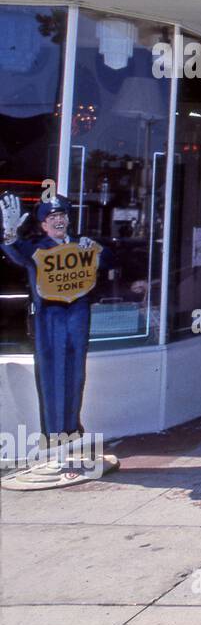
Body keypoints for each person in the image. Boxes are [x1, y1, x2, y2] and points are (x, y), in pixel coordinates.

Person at [1, 193, 109, 461]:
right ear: (43, 225)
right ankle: (54, 437)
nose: (59, 221)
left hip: (78, 314)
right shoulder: (37, 248)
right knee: (52, 374)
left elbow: (105, 258)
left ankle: (72, 432)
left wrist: (95, 247)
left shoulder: (80, 244)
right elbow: (16, 252)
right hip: (51, 317)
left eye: (62, 216)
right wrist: (10, 233)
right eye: (52, 217)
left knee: (75, 374)